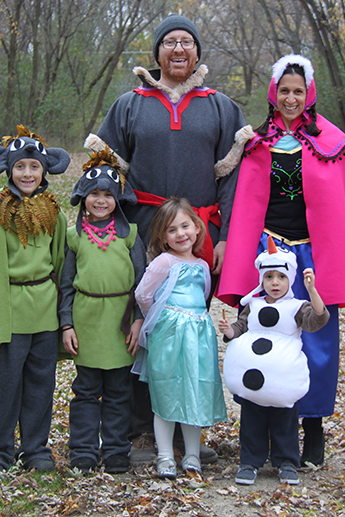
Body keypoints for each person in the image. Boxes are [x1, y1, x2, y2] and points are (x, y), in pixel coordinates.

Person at [84, 14, 251, 465]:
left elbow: (235, 179)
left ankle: (185, 432)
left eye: (187, 43)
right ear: (156, 52)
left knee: (187, 330)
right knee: (142, 321)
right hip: (140, 230)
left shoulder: (220, 106)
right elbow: (106, 173)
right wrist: (112, 229)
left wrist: (225, 238)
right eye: (170, 43)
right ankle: (141, 427)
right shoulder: (130, 105)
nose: (179, 50)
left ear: (197, 52)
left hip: (200, 233)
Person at [217, 54, 345, 467]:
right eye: (284, 90)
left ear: (308, 93)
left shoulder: (333, 143)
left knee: (316, 341)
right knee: (265, 336)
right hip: (270, 253)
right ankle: (265, 428)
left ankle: (312, 428)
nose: (291, 98)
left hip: (314, 254)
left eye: (298, 91)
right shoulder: (255, 143)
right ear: (273, 93)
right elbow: (242, 201)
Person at [0, 125, 70, 472]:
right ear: (9, 169)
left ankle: (35, 448)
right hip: (10, 314)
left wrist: (65, 317)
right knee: (6, 388)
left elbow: (63, 263)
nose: (27, 173)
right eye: (20, 166)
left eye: (34, 167)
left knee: (40, 384)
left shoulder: (54, 213)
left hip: (45, 313)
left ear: (45, 169)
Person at [59, 147, 146, 475]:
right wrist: (66, 324)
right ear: (84, 197)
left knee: (118, 391)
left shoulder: (130, 237)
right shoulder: (74, 237)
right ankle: (82, 449)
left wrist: (138, 318)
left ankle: (115, 450)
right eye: (94, 193)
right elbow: (66, 286)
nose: (100, 200)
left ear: (117, 200)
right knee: (85, 390)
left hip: (120, 324)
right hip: (87, 321)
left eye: (108, 195)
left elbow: (142, 283)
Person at [133, 197, 227, 479]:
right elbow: (143, 295)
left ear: (198, 228)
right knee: (166, 391)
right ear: (163, 237)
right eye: (172, 230)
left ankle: (192, 454)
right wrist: (163, 318)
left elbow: (203, 297)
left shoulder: (201, 265)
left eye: (185, 226)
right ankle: (164, 456)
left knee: (194, 391)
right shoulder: (164, 262)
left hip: (198, 335)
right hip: (170, 335)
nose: (180, 234)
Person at [219, 248, 330, 486]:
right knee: (252, 420)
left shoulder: (297, 307)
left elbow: (318, 320)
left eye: (281, 277)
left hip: (283, 379)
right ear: (261, 280)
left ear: (290, 279)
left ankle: (286, 462)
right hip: (253, 379)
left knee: (284, 420)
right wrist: (230, 331)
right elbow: (241, 326)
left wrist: (312, 291)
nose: (275, 283)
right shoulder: (253, 305)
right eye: (268, 277)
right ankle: (250, 462)